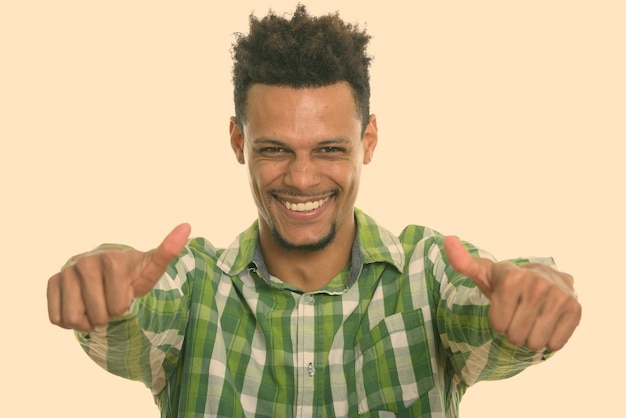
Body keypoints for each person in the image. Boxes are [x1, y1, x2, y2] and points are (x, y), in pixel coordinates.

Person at [46, 4, 582, 417]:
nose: (302, 178)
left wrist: (531, 299)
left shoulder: (430, 275)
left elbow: (490, 319)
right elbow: (135, 321)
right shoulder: (194, 288)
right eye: (275, 149)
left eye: (329, 149)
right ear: (238, 141)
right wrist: (103, 285)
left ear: (368, 140)